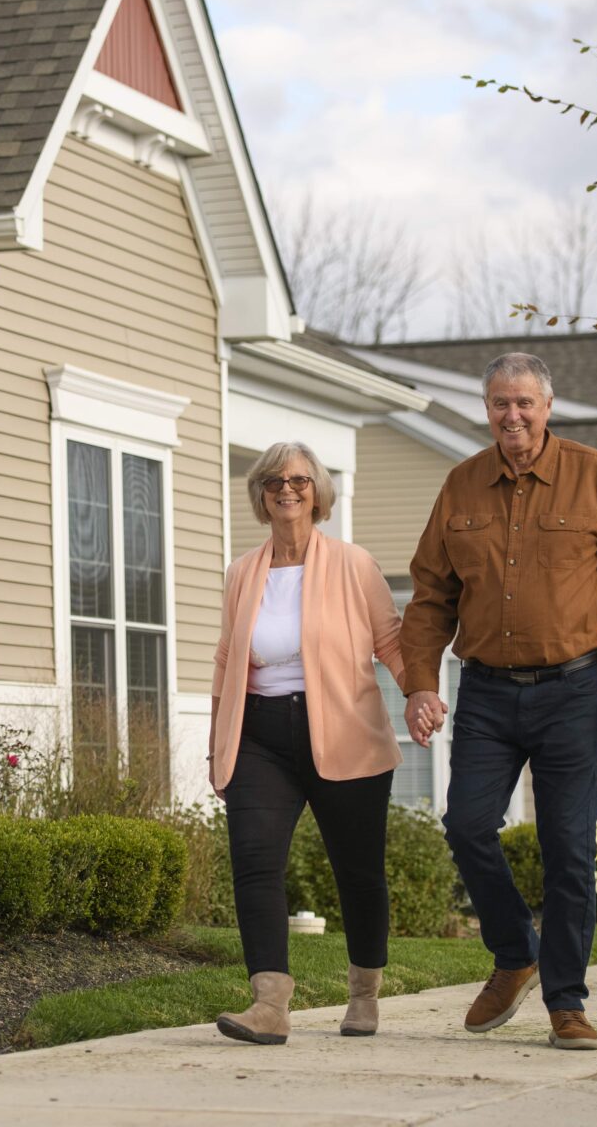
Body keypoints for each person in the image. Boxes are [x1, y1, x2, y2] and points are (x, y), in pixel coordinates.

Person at [401, 352, 597, 1051]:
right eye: (500, 404)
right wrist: (422, 684)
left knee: (568, 850)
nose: (512, 415)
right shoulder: (462, 486)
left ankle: (566, 1002)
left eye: (524, 403)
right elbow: (431, 593)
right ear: (487, 409)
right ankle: (515, 952)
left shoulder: (593, 476)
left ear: (547, 408)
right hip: (488, 690)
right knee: (465, 824)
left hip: (574, 691)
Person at [209, 441, 408, 1045]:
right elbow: (226, 661)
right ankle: (269, 1003)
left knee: (359, 872)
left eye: (298, 479)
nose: (286, 488)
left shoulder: (353, 564)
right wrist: (217, 739)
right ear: (260, 494)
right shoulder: (244, 571)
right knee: (254, 862)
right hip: (259, 736)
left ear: (318, 491)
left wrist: (420, 695)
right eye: (273, 479)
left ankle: (364, 993)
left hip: (344, 732)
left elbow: (391, 641)